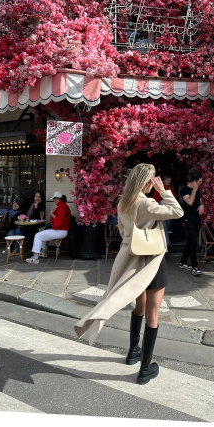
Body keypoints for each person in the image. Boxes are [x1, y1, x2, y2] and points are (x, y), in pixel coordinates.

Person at [74, 163, 184, 385]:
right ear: (147, 181)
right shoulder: (148, 203)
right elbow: (177, 211)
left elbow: (125, 232)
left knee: (138, 307)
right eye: (152, 179)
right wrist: (163, 191)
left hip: (131, 259)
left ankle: (133, 351)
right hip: (151, 259)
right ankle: (145, 368)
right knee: (153, 315)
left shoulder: (123, 202)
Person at [25, 191, 71, 263]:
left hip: (60, 231)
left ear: (57, 199)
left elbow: (59, 220)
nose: (54, 201)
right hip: (62, 230)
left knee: (38, 236)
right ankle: (43, 252)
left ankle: (35, 258)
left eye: (54, 199)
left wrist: (51, 214)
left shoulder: (61, 206)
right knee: (42, 234)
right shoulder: (63, 205)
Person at [179, 171, 205, 276]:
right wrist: (194, 191)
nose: (201, 183)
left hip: (196, 218)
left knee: (191, 240)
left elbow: (200, 200)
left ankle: (183, 262)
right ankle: (194, 266)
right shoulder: (184, 189)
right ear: (194, 181)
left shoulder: (199, 189)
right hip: (188, 218)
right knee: (193, 240)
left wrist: (202, 205)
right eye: (199, 181)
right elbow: (189, 202)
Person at [152, 174, 177, 251]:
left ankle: (165, 244)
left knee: (167, 225)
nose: (169, 182)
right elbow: (154, 197)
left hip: (169, 207)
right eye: (167, 180)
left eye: (170, 180)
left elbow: (174, 197)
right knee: (164, 226)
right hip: (162, 207)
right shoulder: (159, 188)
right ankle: (166, 245)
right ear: (164, 181)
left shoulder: (171, 187)